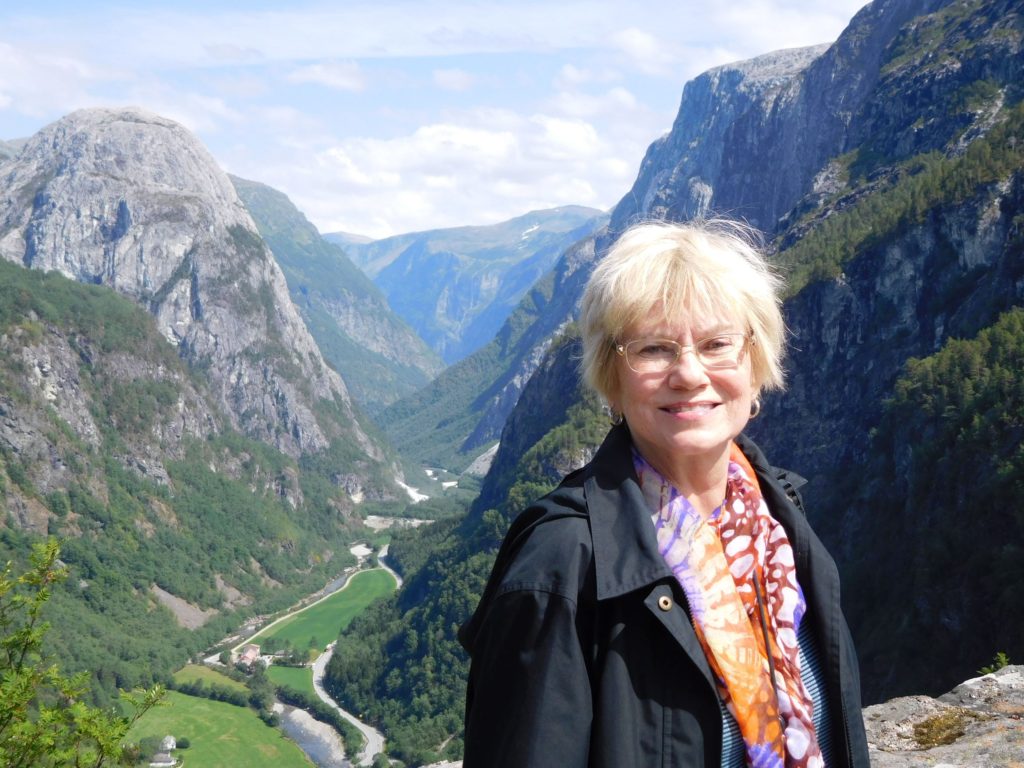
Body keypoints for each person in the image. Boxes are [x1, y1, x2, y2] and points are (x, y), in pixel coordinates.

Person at [459, 219, 870, 767]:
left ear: (755, 361)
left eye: (717, 344)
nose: (690, 373)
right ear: (613, 374)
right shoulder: (562, 565)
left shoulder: (780, 521)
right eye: (654, 349)